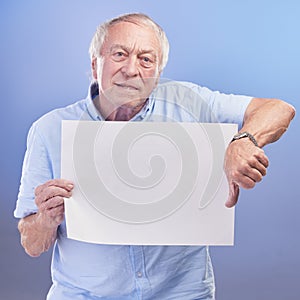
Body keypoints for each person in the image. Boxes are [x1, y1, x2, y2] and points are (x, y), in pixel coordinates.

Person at [14, 12, 295, 300]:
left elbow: (279, 109)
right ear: (95, 63)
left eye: (146, 59)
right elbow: (32, 244)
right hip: (86, 295)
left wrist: (245, 139)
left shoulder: (190, 104)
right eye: (120, 54)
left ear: (159, 71)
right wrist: (46, 219)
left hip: (181, 294)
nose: (131, 69)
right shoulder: (49, 130)